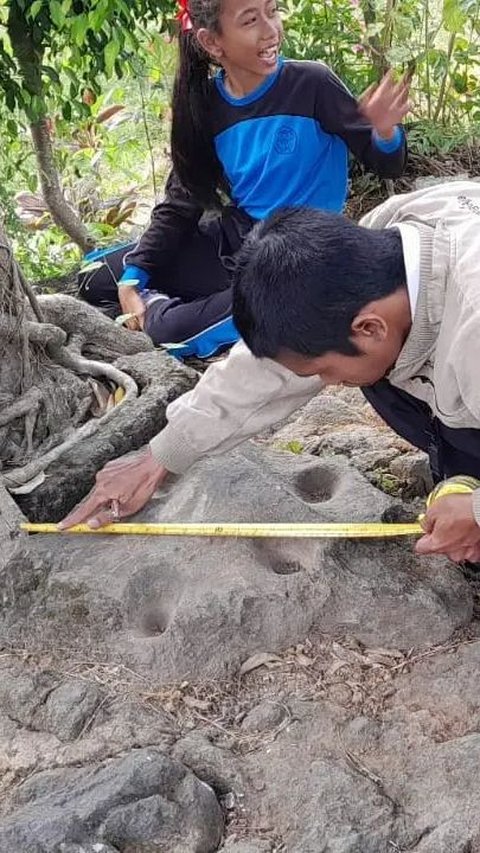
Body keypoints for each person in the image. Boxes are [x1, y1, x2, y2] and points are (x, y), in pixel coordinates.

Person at [62, 180, 480, 564]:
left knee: (364, 371)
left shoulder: (471, 324)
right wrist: (159, 457)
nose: (326, 383)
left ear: (370, 327)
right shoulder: (384, 242)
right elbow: (268, 369)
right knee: (368, 369)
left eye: (324, 371)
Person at [78, 0, 408, 358]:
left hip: (293, 260)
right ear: (211, 43)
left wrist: (385, 133)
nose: (270, 30)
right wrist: (133, 278)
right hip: (234, 242)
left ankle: (169, 308)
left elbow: (386, 164)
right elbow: (181, 202)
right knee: (95, 275)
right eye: (251, 20)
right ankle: (181, 297)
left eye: (273, 11)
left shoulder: (312, 84)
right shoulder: (205, 106)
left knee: (169, 331)